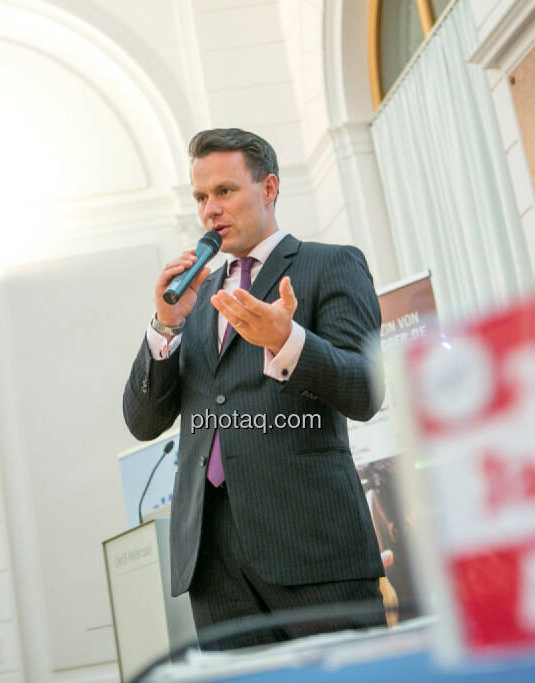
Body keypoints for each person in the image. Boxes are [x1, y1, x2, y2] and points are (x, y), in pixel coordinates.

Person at [122, 128, 386, 650]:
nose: (210, 210)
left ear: (268, 189)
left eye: (225, 192)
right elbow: (143, 421)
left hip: (312, 545)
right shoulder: (196, 297)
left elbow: (365, 390)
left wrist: (289, 341)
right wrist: (165, 326)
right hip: (214, 560)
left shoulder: (329, 264)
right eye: (201, 197)